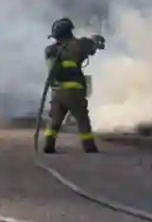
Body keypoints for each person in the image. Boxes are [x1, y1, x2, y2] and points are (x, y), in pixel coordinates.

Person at [42, 17, 105, 154]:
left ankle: (48, 145)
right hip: (75, 92)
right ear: (69, 32)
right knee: (82, 120)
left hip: (58, 92)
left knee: (55, 121)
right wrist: (96, 41)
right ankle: (89, 147)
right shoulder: (79, 44)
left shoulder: (51, 50)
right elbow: (93, 45)